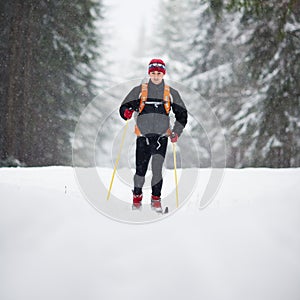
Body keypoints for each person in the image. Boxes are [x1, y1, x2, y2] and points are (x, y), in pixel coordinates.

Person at [119, 58, 188, 212]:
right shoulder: (139, 90)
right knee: (140, 170)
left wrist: (177, 132)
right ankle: (137, 199)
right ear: (149, 73)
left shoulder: (171, 93)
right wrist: (127, 112)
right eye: (153, 73)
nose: (156, 76)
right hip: (143, 137)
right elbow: (123, 107)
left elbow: (182, 114)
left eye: (159, 73)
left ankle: (156, 200)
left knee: (157, 170)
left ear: (163, 74)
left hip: (161, 137)